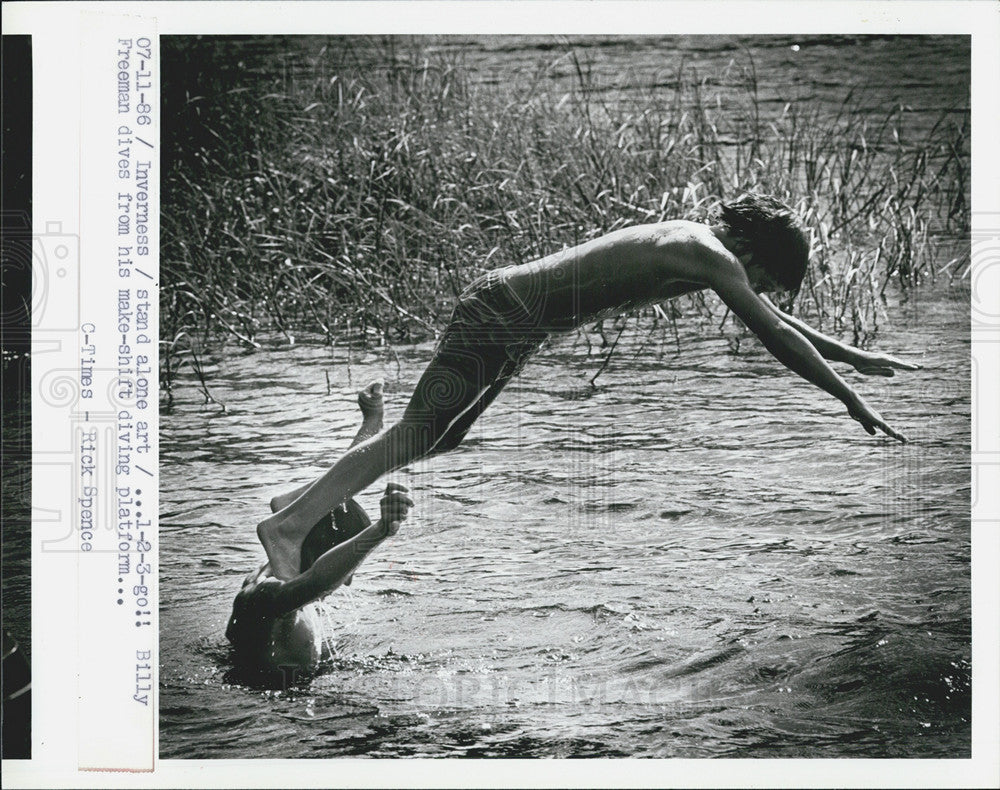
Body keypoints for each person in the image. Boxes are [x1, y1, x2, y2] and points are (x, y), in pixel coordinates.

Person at [259, 193, 921, 582]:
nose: (758, 293)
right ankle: (289, 527)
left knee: (442, 436)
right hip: (501, 314)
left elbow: (776, 319)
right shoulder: (707, 255)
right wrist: (847, 397)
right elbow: (774, 334)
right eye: (765, 280)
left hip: (511, 326)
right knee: (418, 431)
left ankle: (303, 500)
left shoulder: (704, 251)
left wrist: (853, 356)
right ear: (751, 251)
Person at [226, 384, 413, 675]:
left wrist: (371, 426)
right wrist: (380, 530)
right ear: (321, 556)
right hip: (271, 711)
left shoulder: (286, 559)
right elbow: (317, 580)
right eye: (347, 567)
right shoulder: (265, 596)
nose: (347, 582)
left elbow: (328, 494)